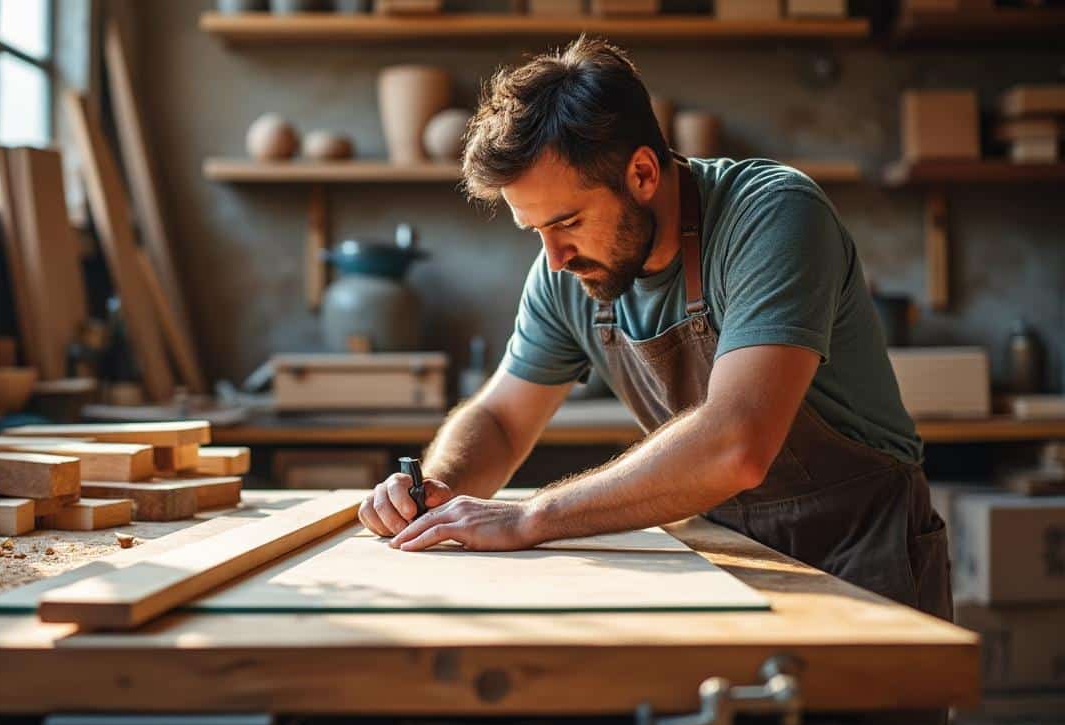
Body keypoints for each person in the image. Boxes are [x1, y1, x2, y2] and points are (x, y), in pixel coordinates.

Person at [356, 36, 950, 621]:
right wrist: (437, 489)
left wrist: (530, 516)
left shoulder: (772, 215)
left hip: (861, 545)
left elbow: (736, 444)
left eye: (567, 222)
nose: (554, 257)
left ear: (641, 173)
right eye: (533, 229)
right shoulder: (564, 269)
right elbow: (501, 420)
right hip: (724, 550)